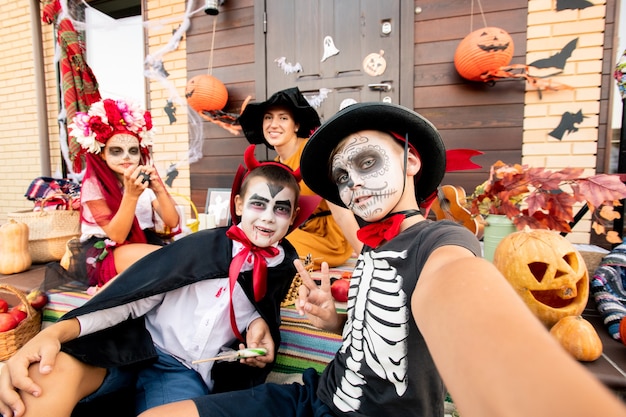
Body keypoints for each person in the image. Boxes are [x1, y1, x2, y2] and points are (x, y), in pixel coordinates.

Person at [133, 102, 626, 417]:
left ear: (411, 161)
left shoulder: (442, 242)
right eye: (343, 178)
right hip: (314, 396)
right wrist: (332, 320)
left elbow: (460, 291)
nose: (354, 185)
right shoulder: (373, 246)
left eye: (366, 162)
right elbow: (374, 334)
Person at [0, 145, 319, 417]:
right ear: (237, 204)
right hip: (129, 345)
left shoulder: (282, 266)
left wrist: (256, 332)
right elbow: (131, 298)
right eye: (258, 204)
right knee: (44, 380)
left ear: (292, 218)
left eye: (280, 209)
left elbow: (258, 308)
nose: (266, 217)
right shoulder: (201, 248)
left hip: (185, 370)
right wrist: (55, 331)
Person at [238, 87, 362, 268]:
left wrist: (366, 258)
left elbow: (342, 213)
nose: (273, 124)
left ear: (296, 125)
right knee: (247, 236)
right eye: (268, 117)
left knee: (265, 244)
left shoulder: (314, 155)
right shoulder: (275, 164)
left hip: (327, 238)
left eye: (283, 118)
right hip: (289, 230)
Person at [66, 97, 181, 289]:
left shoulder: (141, 178)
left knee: (182, 258)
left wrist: (159, 190)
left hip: (141, 243)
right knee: (169, 260)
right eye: (116, 151)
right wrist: (131, 195)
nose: (127, 157)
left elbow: (172, 222)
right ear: (102, 154)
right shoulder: (94, 185)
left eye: (133, 150)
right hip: (107, 250)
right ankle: (109, 289)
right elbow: (117, 236)